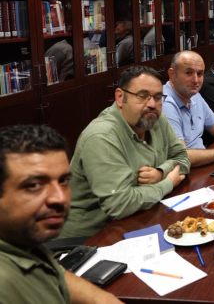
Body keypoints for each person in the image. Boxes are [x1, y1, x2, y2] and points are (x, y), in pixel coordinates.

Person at [61, 66, 191, 238]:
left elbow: (183, 157)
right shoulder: (101, 137)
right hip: (92, 238)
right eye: (142, 96)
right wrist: (168, 183)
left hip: (139, 219)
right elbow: (120, 204)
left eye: (158, 97)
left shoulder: (155, 118)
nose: (152, 104)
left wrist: (160, 172)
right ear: (120, 97)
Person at [0, 125, 124, 304]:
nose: (60, 198)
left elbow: (57, 275)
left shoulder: (23, 241)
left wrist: (104, 299)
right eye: (34, 185)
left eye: (63, 181)